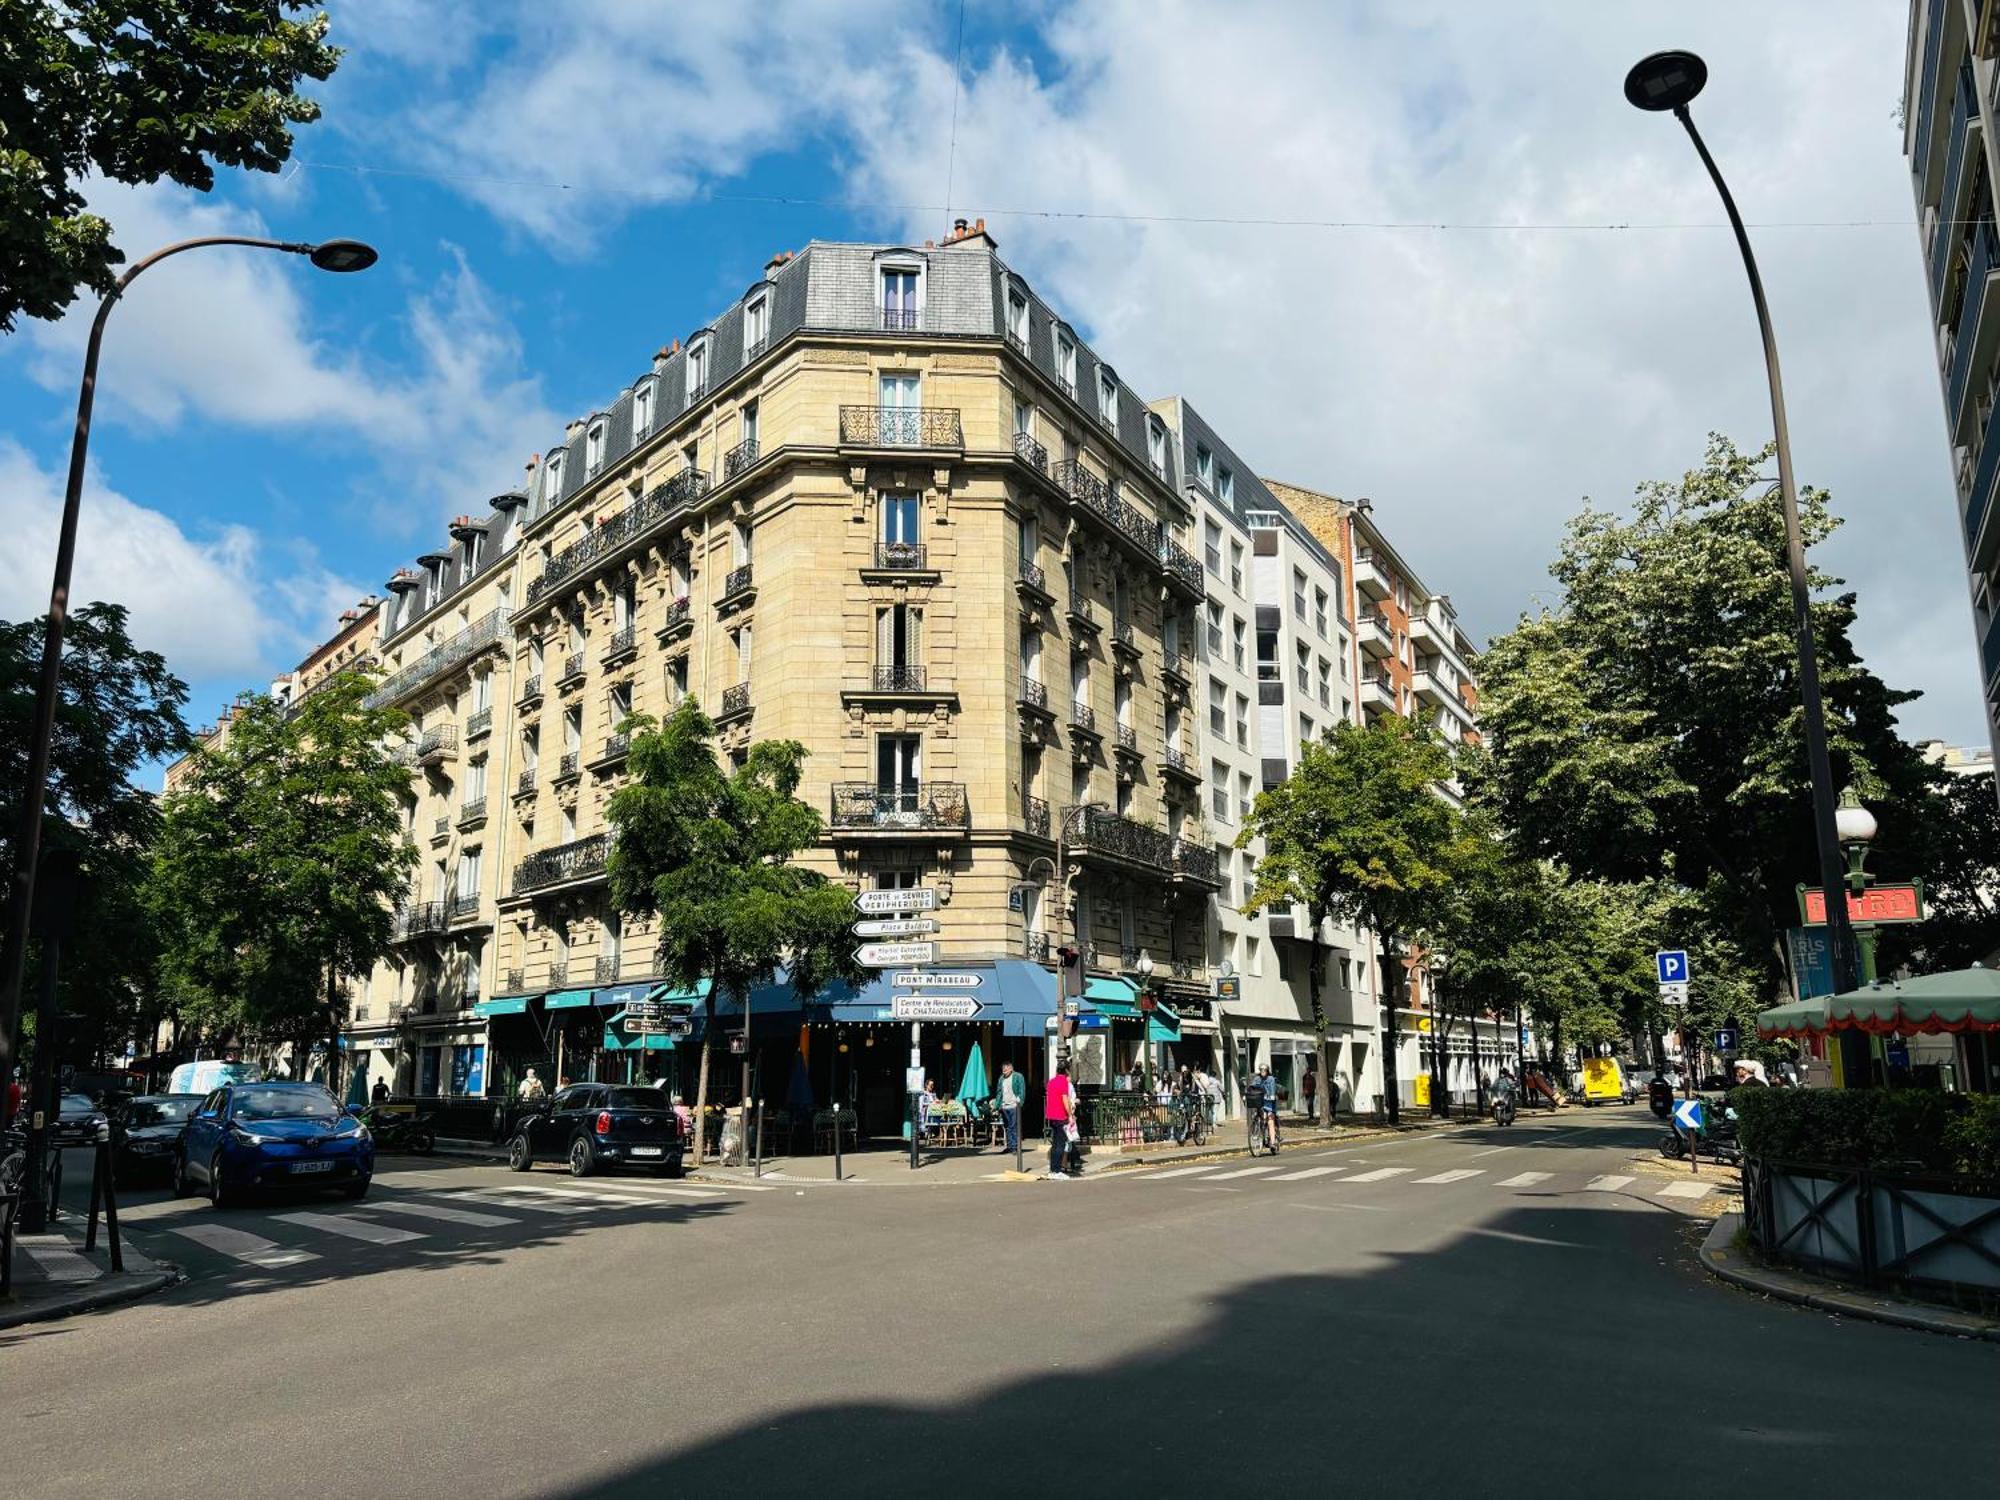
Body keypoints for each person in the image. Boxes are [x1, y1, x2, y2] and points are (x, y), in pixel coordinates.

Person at [1045, 1062, 1077, 1179]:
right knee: (1060, 1143)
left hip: (1051, 1115)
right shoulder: (1063, 1082)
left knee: (1055, 1143)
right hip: (1060, 1115)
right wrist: (1070, 1115)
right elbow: (1064, 1099)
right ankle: (1057, 1170)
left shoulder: (1051, 1081)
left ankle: (1052, 1169)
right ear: (1067, 1071)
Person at [996, 1061, 1025, 1155]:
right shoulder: (1001, 1078)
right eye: (1003, 1068)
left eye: (1006, 1068)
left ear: (1011, 1069)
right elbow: (999, 1092)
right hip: (1004, 1106)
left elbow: (1022, 1090)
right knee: (1007, 1127)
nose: (1004, 1070)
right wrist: (998, 1104)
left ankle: (1015, 1147)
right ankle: (1009, 1146)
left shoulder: (1018, 1076)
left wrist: (1020, 1102)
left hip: (1014, 1105)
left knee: (1014, 1126)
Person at [1250, 1064, 1280, 1153]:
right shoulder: (1257, 1079)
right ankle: (1258, 1132)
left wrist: (1272, 1096)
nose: (1263, 1071)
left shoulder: (1271, 1079)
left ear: (1267, 1071)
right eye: (1261, 1070)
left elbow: (1272, 1089)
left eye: (1265, 1070)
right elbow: (1252, 1087)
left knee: (1270, 1120)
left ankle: (1273, 1142)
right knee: (1261, 1117)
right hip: (1260, 1101)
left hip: (1270, 1102)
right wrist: (1247, 1094)